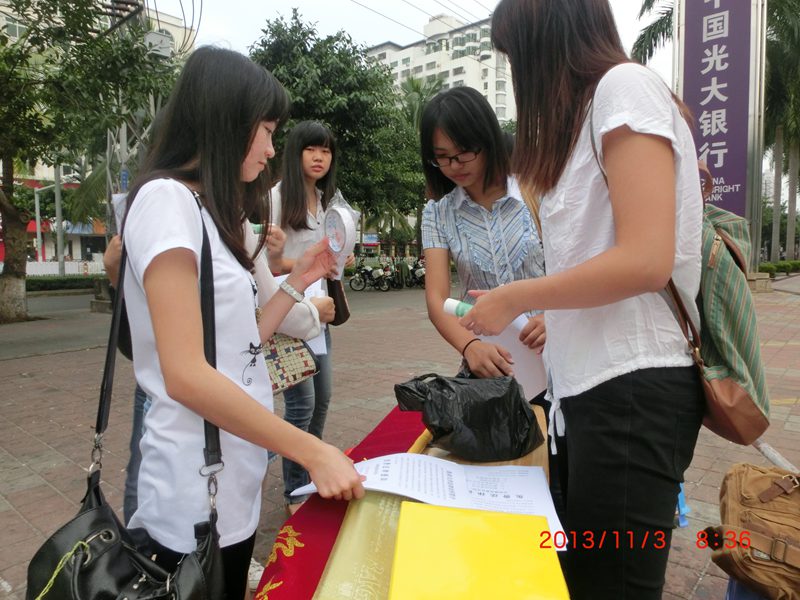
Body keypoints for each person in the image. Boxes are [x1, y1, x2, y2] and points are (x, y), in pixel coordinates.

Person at [462, 1, 705, 598]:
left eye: (517, 55)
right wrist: (553, 313)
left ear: (547, 40)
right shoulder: (586, 121)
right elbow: (601, 258)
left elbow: (646, 258)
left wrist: (517, 296)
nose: (518, 73)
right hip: (590, 395)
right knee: (584, 578)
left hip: (632, 391)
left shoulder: (624, 88)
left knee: (612, 585)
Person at [120, 47, 364, 598]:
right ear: (228, 121)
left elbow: (242, 342)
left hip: (234, 478)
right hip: (191, 491)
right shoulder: (165, 202)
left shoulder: (215, 212)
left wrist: (301, 278)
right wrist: (311, 450)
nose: (273, 149)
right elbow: (185, 373)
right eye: (268, 131)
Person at [420, 86, 547, 380]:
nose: (454, 166)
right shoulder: (438, 214)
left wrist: (554, 317)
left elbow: (576, 268)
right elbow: (436, 299)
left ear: (487, 140)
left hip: (554, 353)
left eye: (464, 152)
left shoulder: (538, 192)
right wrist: (470, 347)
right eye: (442, 157)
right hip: (489, 363)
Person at [267, 120, 352, 514]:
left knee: (322, 400)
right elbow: (262, 264)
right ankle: (295, 490)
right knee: (301, 404)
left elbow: (329, 255)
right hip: (287, 315)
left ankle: (308, 474)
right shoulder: (275, 199)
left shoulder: (327, 201)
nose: (319, 157)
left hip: (320, 315)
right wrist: (305, 264)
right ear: (295, 153)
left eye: (326, 150)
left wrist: (340, 258)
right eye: (311, 149)